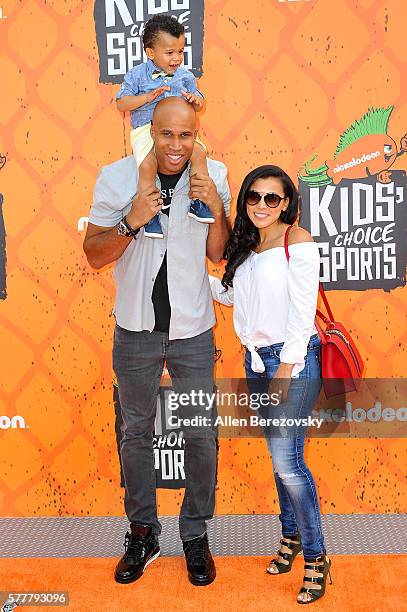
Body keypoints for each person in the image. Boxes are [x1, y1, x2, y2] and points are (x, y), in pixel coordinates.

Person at [83, 97, 231, 586]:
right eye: (166, 134)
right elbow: (94, 255)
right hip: (135, 332)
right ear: (151, 132)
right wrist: (132, 219)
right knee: (135, 434)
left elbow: (217, 254)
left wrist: (215, 207)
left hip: (193, 332)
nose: (175, 144)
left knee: (200, 438)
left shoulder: (215, 176)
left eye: (184, 135)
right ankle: (143, 531)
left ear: (196, 135)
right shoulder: (118, 178)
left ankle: (194, 534)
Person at [209, 165, 332, 604]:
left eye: (272, 198)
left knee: (288, 465)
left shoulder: (295, 242)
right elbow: (234, 298)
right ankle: (290, 538)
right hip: (255, 361)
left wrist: (287, 369)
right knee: (281, 460)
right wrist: (189, 275)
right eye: (254, 197)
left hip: (290, 362)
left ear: (287, 204)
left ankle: (316, 558)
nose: (262, 206)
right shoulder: (247, 246)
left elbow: (303, 311)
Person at [116, 14, 214, 238]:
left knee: (199, 152)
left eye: (180, 51)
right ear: (151, 53)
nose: (176, 58)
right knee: (148, 164)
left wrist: (196, 101)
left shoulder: (185, 76)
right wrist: (147, 98)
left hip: (177, 133)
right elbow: (122, 103)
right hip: (146, 130)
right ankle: (150, 214)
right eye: (169, 53)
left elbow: (199, 102)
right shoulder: (137, 76)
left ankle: (198, 202)